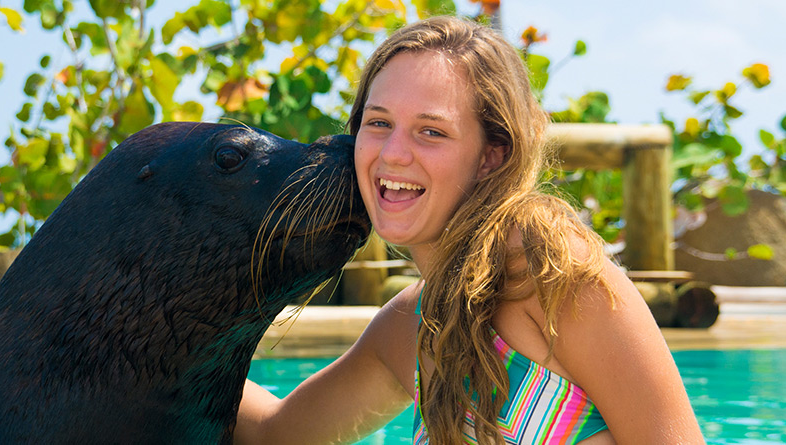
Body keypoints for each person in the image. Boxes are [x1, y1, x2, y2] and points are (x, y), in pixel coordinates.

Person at [234, 15, 704, 444]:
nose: (393, 153)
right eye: (378, 123)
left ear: (491, 155)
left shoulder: (547, 269)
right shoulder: (405, 329)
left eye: (431, 131)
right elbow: (277, 434)